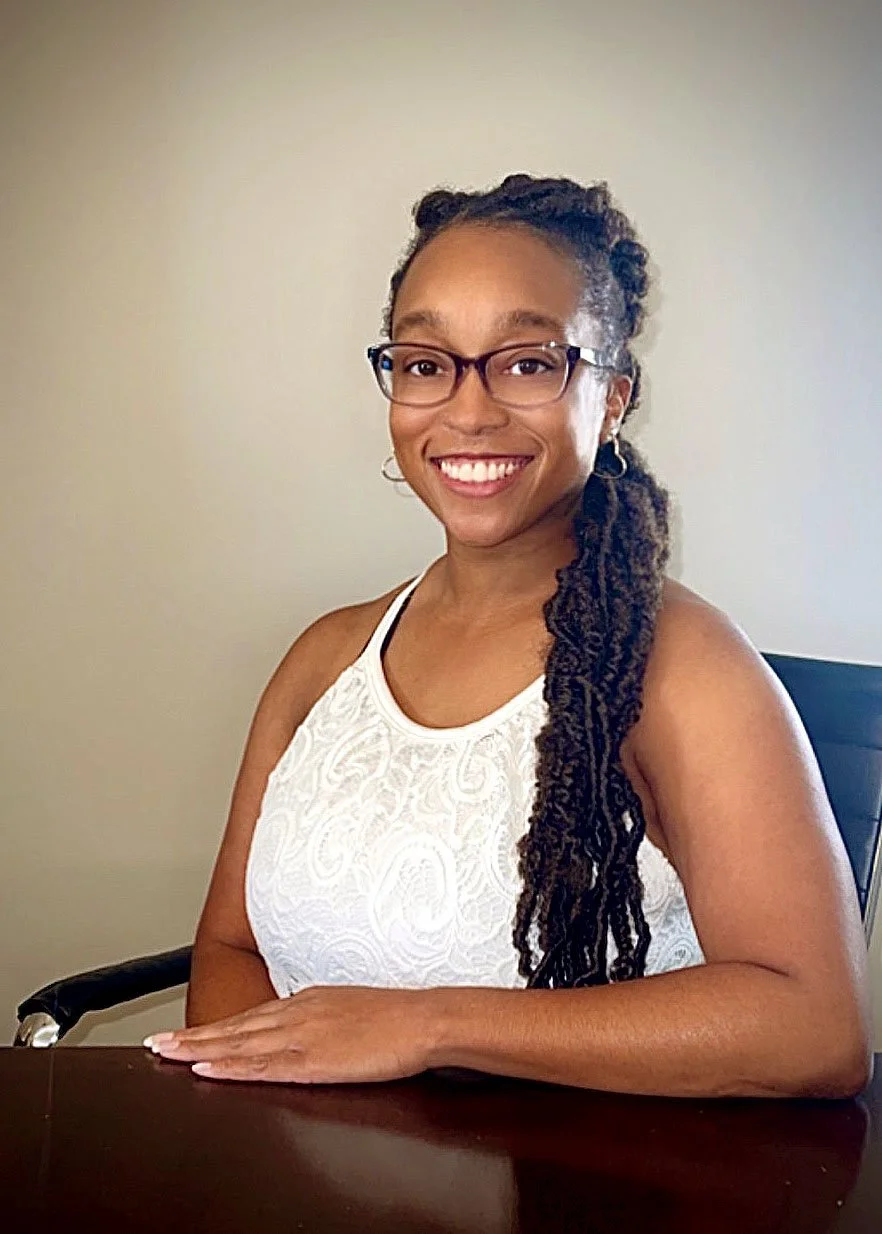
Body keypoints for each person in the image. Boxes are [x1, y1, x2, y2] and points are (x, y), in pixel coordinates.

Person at [144, 174, 871, 1097]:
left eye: (528, 363)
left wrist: (429, 1026)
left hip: (581, 1175)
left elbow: (813, 1028)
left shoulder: (684, 667)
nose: (469, 410)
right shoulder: (324, 658)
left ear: (612, 398)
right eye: (425, 363)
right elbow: (231, 946)